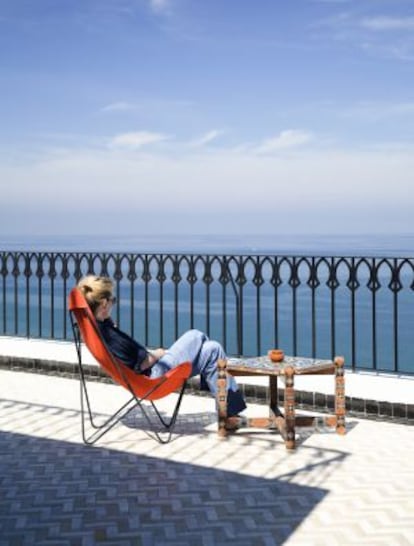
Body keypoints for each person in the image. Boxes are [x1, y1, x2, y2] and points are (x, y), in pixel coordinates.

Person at [77, 275, 247, 426]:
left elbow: (126, 358)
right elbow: (139, 365)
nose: (114, 303)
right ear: (104, 304)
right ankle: (220, 397)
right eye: (112, 300)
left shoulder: (97, 329)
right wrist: (158, 354)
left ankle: (228, 413)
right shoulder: (109, 336)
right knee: (196, 335)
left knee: (213, 349)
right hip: (154, 376)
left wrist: (106, 316)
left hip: (147, 376)